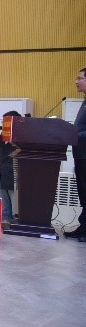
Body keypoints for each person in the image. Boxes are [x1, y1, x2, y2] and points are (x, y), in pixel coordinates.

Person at [69, 68, 86, 240]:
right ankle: (83, 227)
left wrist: (73, 134)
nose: (76, 81)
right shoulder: (84, 101)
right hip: (80, 154)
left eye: (79, 78)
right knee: (83, 193)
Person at [0, 110, 20, 228]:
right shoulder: (2, 138)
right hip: (1, 176)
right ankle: (5, 224)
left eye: (6, 121)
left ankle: (15, 224)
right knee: (4, 206)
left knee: (16, 206)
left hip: (14, 177)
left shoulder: (22, 138)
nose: (3, 123)